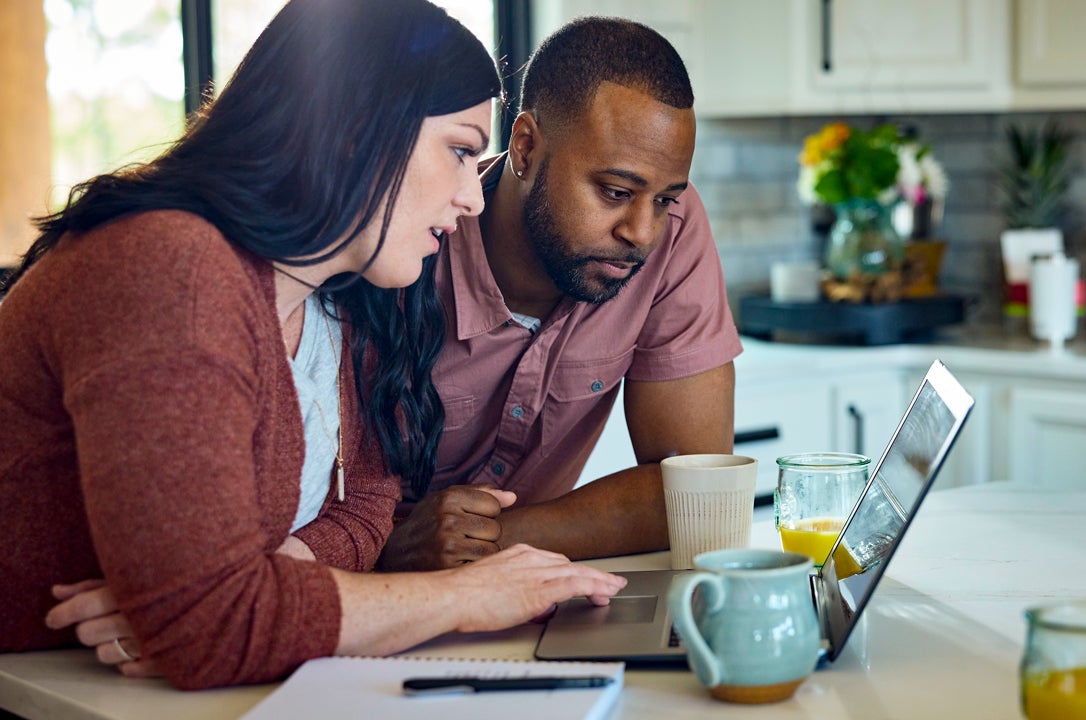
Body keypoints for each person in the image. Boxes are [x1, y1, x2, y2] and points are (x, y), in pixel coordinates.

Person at [0, 0, 623, 690]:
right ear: (352, 129)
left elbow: (366, 509)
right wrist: (471, 596)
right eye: (458, 150)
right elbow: (209, 630)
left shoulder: (338, 294)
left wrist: (256, 592)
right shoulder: (171, 270)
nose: (472, 197)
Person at [378, 16, 743, 572]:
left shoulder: (672, 231)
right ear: (525, 146)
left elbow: (698, 494)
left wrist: (485, 540)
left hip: (526, 589)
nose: (642, 233)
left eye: (665, 199)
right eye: (615, 191)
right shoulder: (406, 243)